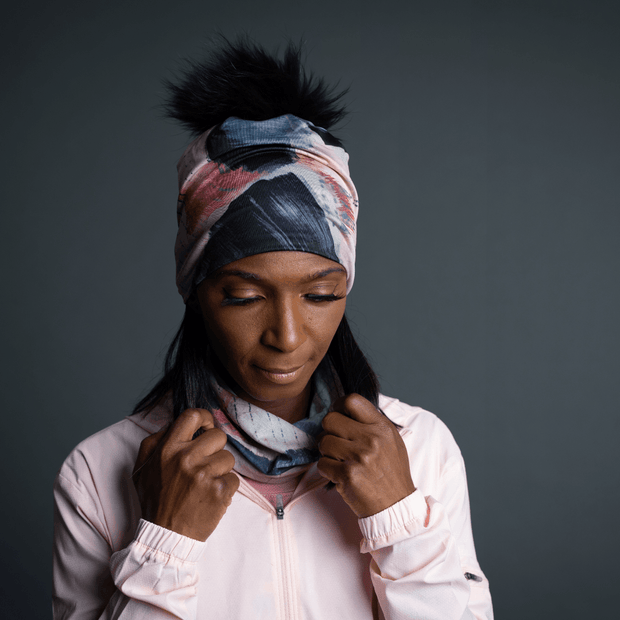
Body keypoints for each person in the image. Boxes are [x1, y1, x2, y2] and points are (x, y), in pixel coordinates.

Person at [52, 39, 493, 620]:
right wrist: (165, 543)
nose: (286, 336)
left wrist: (399, 519)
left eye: (319, 295)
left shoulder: (420, 448)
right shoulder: (98, 470)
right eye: (243, 296)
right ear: (197, 290)